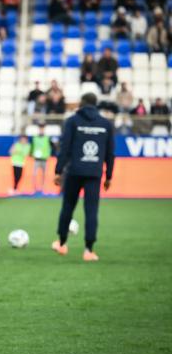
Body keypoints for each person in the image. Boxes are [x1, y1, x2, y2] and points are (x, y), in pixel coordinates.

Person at [52, 93, 115, 261]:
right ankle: (89, 250)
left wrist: (58, 171)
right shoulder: (105, 124)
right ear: (95, 105)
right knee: (91, 211)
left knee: (68, 207)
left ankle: (62, 243)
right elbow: (110, 153)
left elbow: (64, 149)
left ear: (82, 103)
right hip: (94, 173)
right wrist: (109, 176)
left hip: (74, 172)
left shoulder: (72, 121)